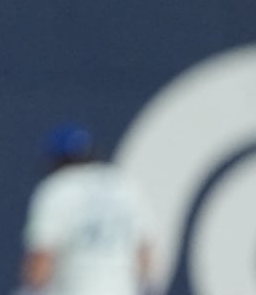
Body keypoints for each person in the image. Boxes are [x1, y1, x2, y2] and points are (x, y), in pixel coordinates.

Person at [17, 123, 154, 295]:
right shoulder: (124, 185)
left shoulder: (58, 188)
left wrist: (30, 289)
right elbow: (145, 252)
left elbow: (42, 258)